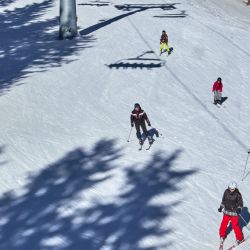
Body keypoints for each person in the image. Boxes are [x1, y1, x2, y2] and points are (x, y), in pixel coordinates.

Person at [218, 182, 244, 246]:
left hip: (234, 213)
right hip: (226, 212)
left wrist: (239, 209)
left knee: (235, 226)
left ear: (235, 188)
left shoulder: (238, 194)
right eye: (230, 188)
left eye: (233, 189)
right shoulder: (226, 192)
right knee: (223, 223)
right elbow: (224, 200)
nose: (231, 190)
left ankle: (239, 238)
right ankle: (222, 236)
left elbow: (240, 204)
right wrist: (221, 207)